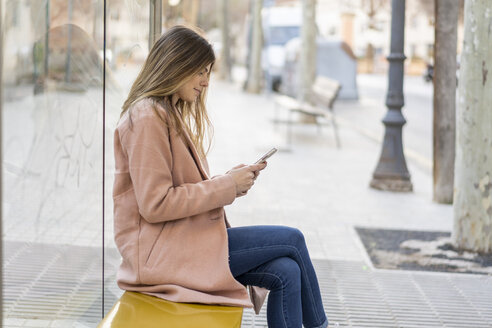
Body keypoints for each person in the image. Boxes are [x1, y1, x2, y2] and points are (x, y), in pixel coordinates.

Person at [113, 25, 328, 328]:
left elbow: (177, 190)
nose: (205, 82)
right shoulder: (147, 117)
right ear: (177, 64)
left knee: (287, 270)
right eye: (199, 71)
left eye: (208, 72)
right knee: (292, 239)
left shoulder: (164, 113)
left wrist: (231, 181)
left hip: (181, 243)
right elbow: (155, 204)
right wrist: (226, 186)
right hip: (161, 255)